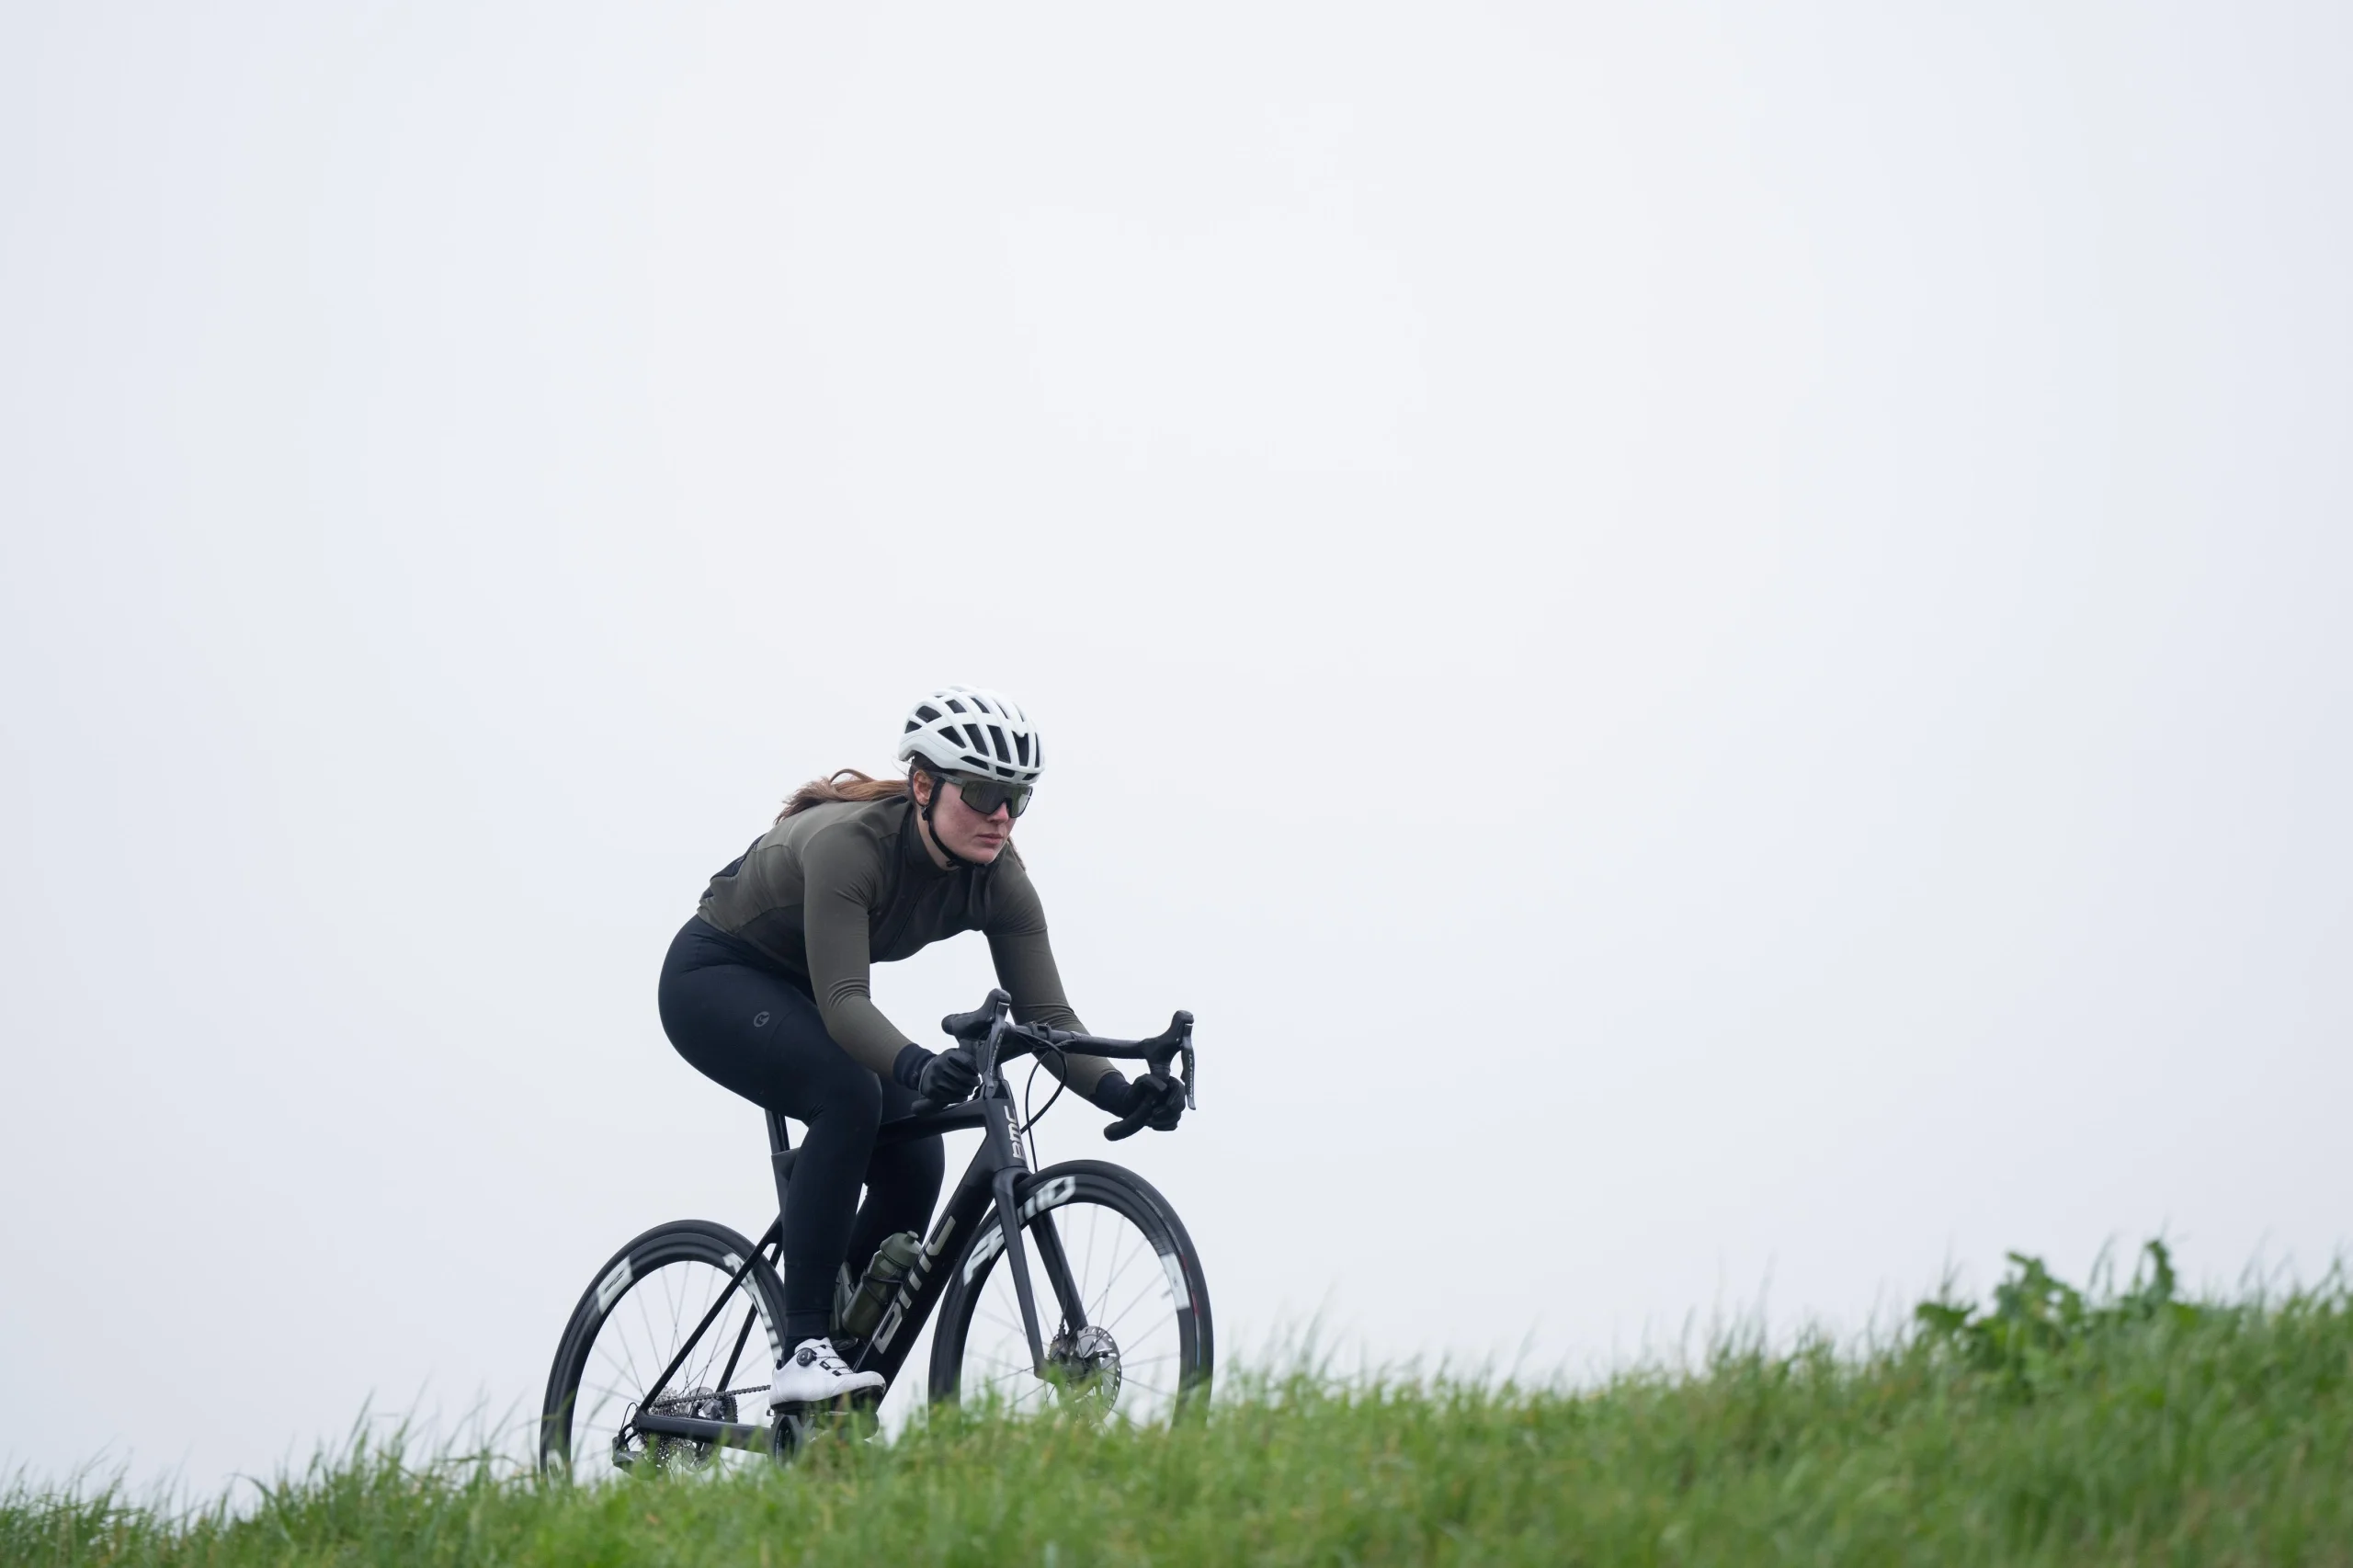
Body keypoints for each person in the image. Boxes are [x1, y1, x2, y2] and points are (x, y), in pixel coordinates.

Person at [656, 686, 1188, 1404]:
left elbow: (1049, 1013)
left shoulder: (1000, 880)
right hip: (715, 977)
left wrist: (1121, 1090)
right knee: (850, 1093)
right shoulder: (852, 846)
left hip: (805, 996)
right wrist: (917, 1063)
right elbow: (846, 1004)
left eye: (1017, 799)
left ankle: (841, 1355)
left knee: (917, 1153)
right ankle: (804, 1348)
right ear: (923, 786)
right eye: (984, 793)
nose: (1001, 816)